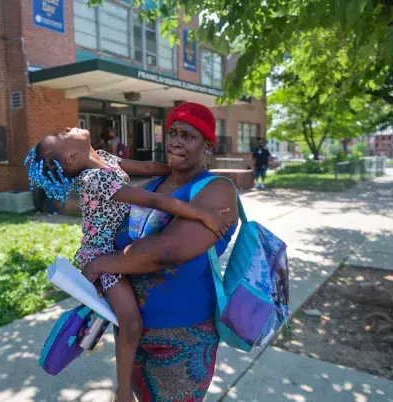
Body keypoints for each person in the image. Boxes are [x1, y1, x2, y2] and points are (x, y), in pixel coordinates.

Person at [24, 127, 230, 402]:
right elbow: (154, 200)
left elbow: (147, 167)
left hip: (114, 252)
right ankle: (121, 393)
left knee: (127, 320)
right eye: (61, 137)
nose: (65, 129)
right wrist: (203, 214)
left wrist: (176, 169)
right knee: (131, 323)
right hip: (101, 256)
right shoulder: (94, 180)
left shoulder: (105, 158)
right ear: (72, 158)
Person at [82, 102, 239, 402]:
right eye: (172, 132)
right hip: (132, 332)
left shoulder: (217, 189)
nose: (176, 141)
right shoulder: (153, 185)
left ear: (207, 145)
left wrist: (102, 264)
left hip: (184, 339)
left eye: (188, 136)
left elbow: (167, 250)